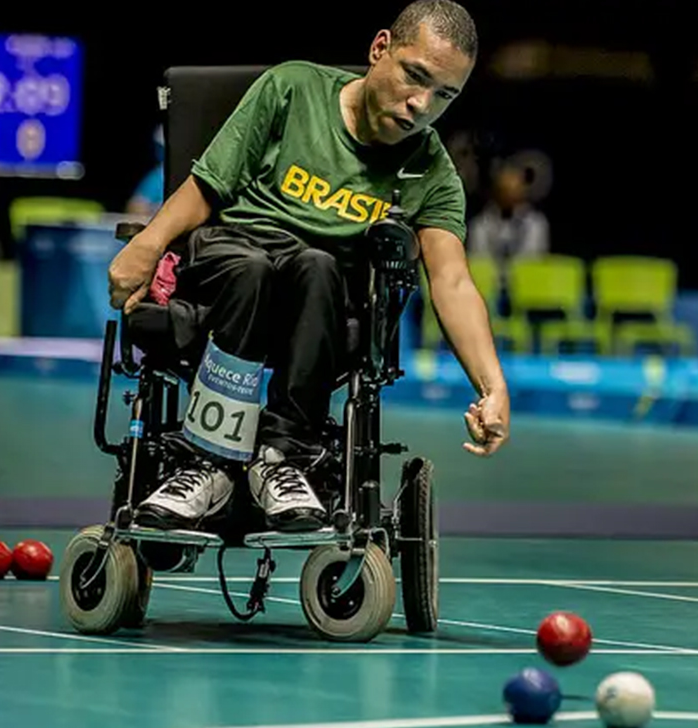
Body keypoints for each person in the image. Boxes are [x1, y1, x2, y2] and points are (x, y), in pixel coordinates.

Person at [106, 0, 509, 534]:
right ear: (380, 48)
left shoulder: (429, 168)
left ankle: (282, 459)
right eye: (416, 77)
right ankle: (207, 462)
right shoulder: (291, 87)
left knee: (318, 265)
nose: (420, 105)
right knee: (254, 268)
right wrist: (148, 244)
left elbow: (452, 280)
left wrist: (492, 386)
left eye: (444, 96)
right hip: (231, 257)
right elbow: (209, 186)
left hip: (314, 296)